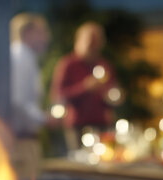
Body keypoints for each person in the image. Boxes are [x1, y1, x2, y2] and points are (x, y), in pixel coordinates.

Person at [50, 22, 117, 152]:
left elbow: (113, 92)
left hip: (101, 124)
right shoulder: (68, 64)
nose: (93, 47)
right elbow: (58, 96)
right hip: (77, 125)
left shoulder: (103, 64)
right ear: (79, 41)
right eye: (90, 42)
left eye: (96, 42)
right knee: (80, 165)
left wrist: (110, 95)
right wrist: (85, 88)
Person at [9, 15, 51, 174]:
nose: (47, 37)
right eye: (42, 32)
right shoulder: (21, 57)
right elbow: (17, 99)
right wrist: (44, 118)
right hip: (20, 141)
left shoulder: (24, 56)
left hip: (22, 139)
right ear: (28, 33)